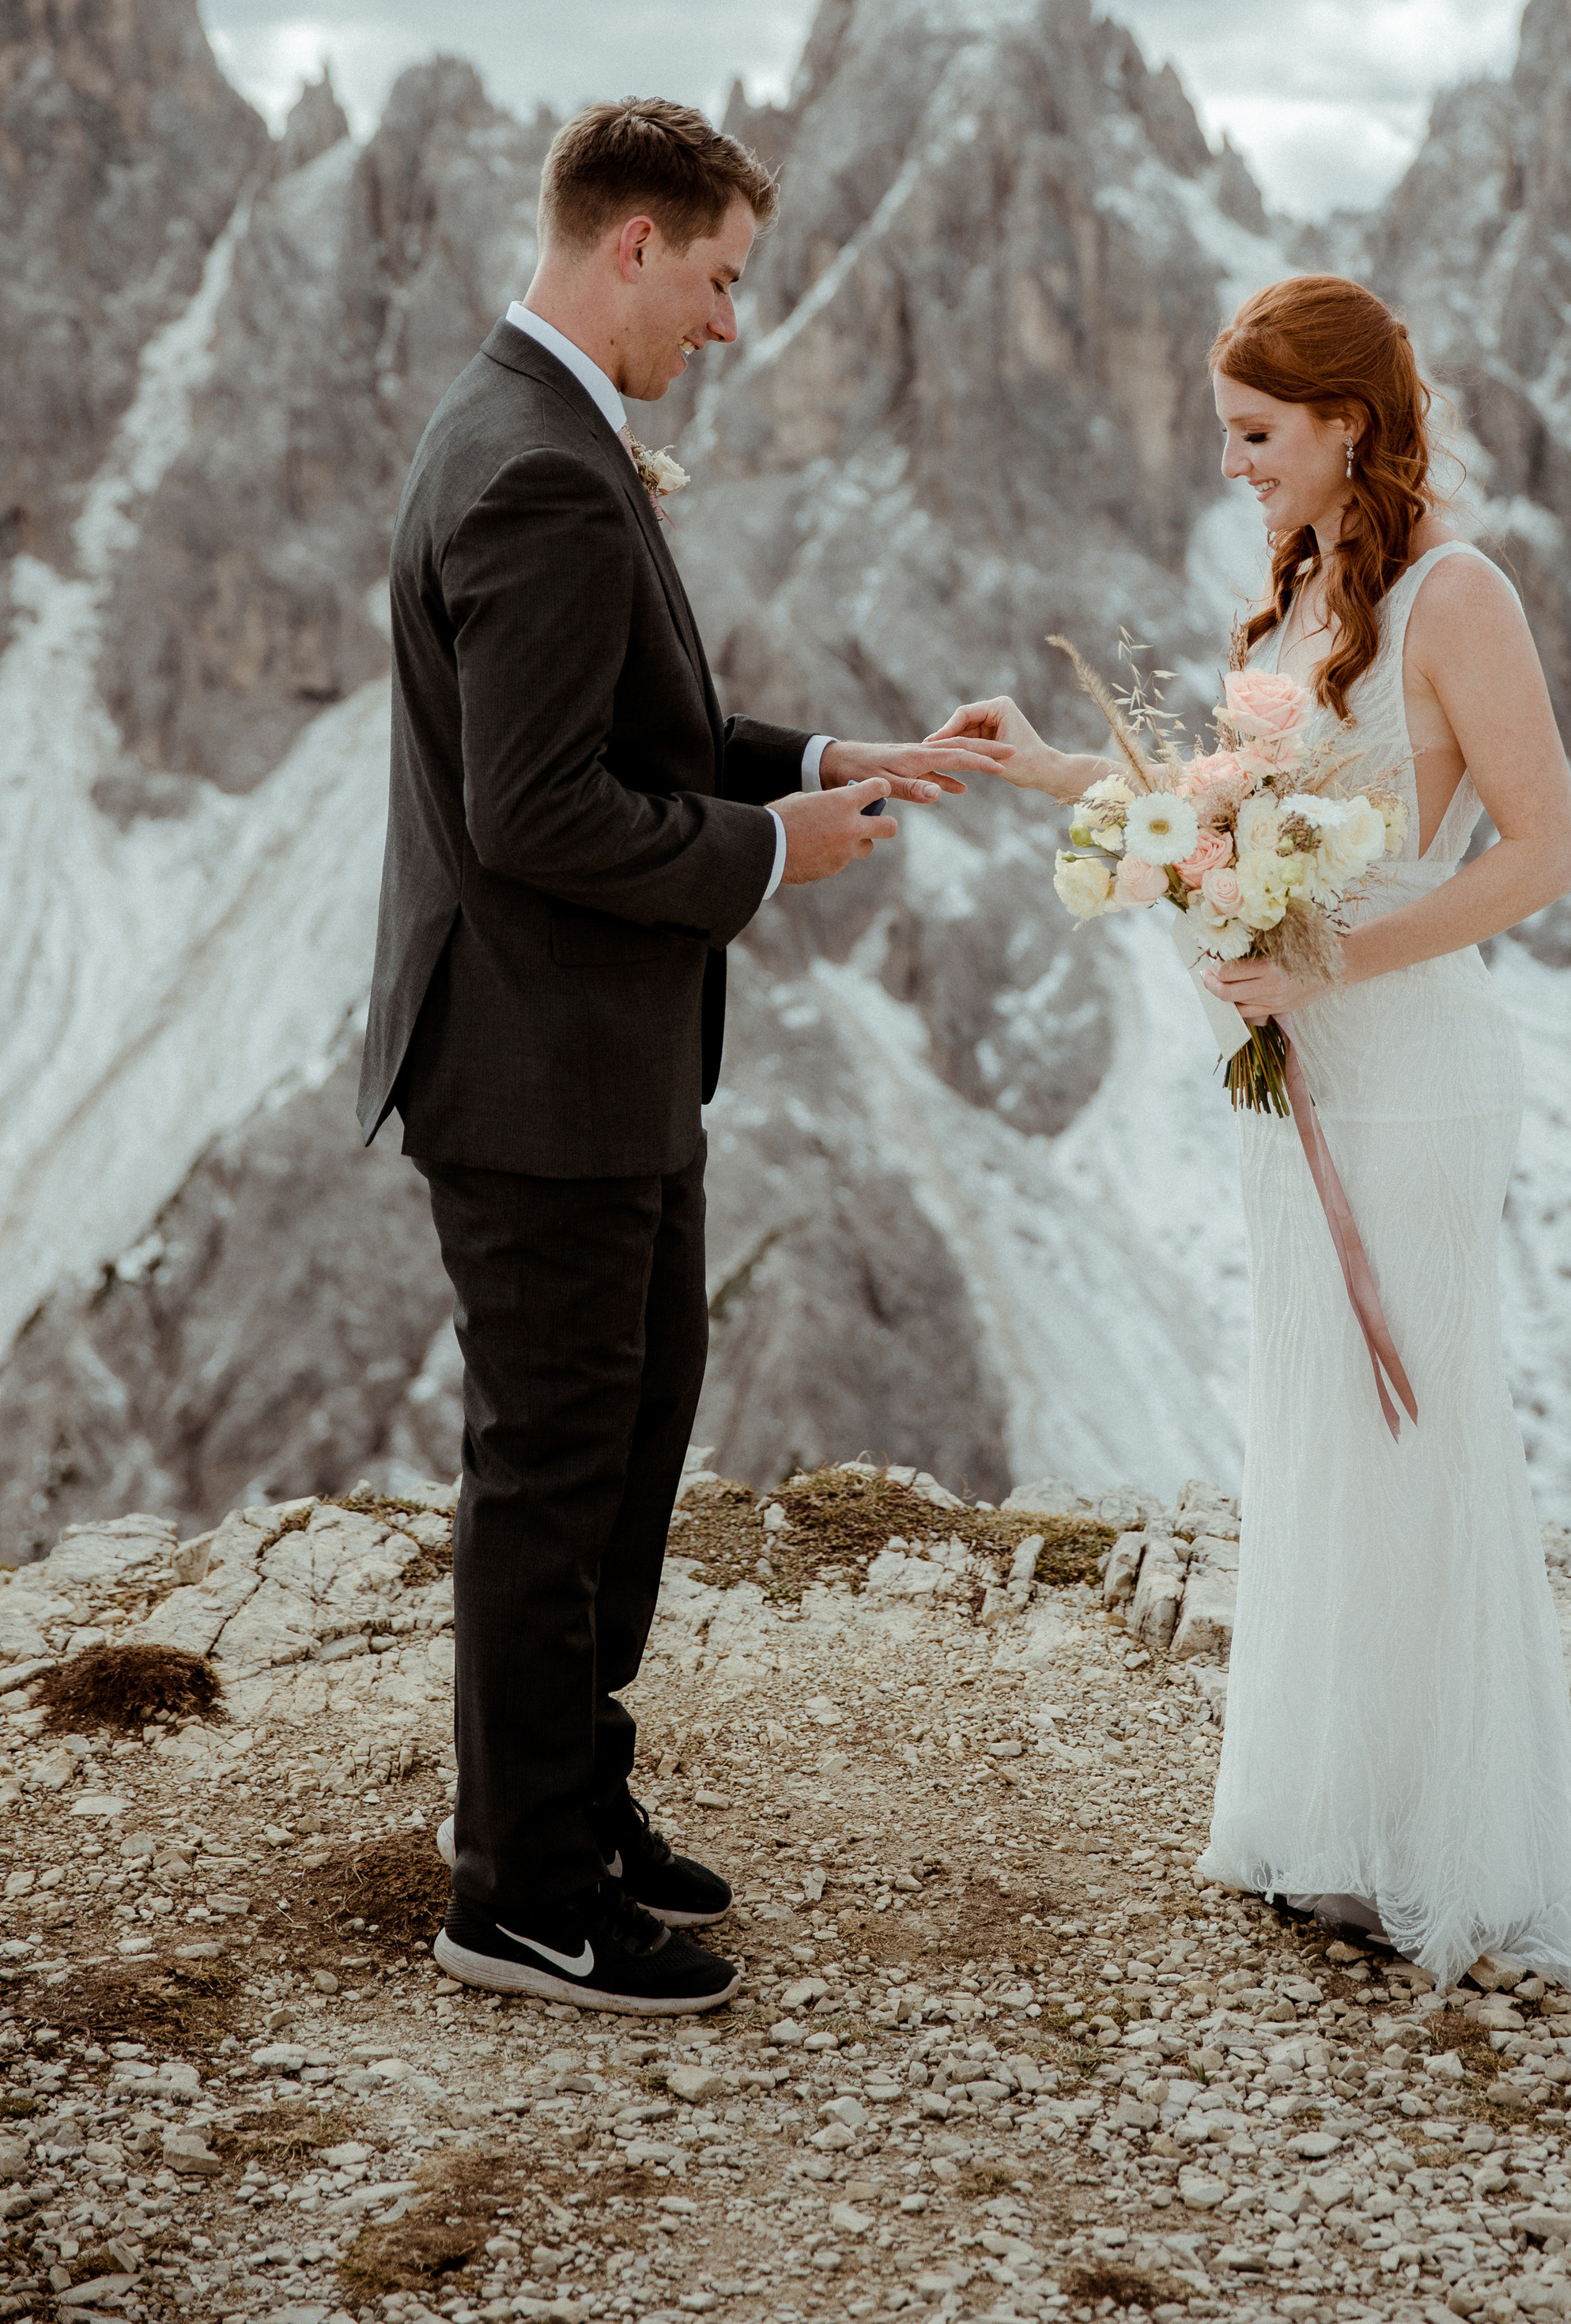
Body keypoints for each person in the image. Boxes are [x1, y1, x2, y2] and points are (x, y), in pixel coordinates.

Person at [935, 274, 1571, 2056]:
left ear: (1342, 425)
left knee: (1412, 1422)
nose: (1229, 465)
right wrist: (1046, 775)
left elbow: (1540, 853)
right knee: (1317, 1417)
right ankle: (1334, 1819)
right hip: (1303, 1078)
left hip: (1411, 1076)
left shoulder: (1457, 595)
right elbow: (1222, 816)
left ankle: (1444, 1842)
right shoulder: (1310, 586)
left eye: (1253, 434)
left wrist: (1323, 958)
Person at [358, 98, 1008, 2018]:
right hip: (536, 1071)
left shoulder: (537, 427)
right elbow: (541, 806)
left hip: (601, 1059)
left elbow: (641, 729)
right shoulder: (536, 470)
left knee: (629, 1444)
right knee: (553, 1468)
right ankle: (523, 1898)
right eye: (720, 278)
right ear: (630, 245)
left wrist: (832, 763)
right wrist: (771, 856)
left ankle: (572, 1799)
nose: (730, 324)